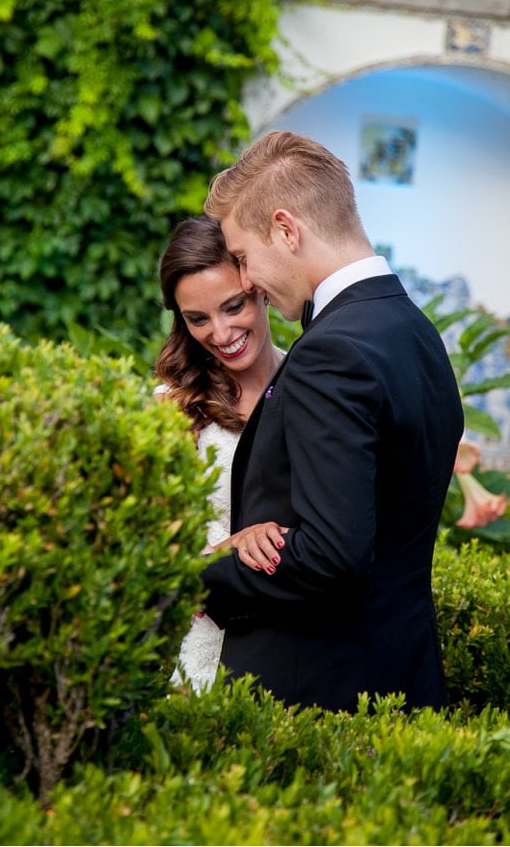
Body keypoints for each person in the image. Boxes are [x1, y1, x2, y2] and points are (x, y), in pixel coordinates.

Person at [199, 130, 462, 711]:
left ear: (287, 230)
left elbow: (330, 554)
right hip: (402, 678)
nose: (245, 282)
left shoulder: (330, 352)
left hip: (316, 691)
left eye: (243, 257)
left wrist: (203, 573)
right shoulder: (416, 333)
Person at [155, 215, 285, 689]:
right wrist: (221, 552)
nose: (221, 331)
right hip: (201, 639)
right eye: (197, 319)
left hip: (297, 636)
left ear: (261, 289)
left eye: (234, 306)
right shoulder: (170, 407)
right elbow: (145, 547)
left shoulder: (313, 388)